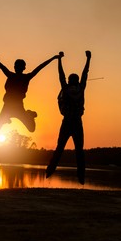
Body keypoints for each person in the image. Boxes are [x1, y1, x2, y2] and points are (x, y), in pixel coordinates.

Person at [46, 50, 92, 184]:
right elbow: (85, 74)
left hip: (67, 122)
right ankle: (81, 176)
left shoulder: (65, 89)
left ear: (69, 81)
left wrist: (59, 60)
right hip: (77, 122)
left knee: (59, 148)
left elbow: (61, 75)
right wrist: (88, 59)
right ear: (77, 81)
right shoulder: (81, 88)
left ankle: (50, 170)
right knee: (79, 151)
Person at [0, 54, 61, 132]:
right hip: (7, 107)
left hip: (18, 107)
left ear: (23, 68)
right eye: (16, 66)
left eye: (18, 66)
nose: (16, 68)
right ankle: (6, 119)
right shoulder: (11, 75)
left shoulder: (24, 77)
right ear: (14, 67)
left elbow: (40, 67)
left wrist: (53, 58)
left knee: (31, 129)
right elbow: (3, 68)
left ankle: (29, 115)